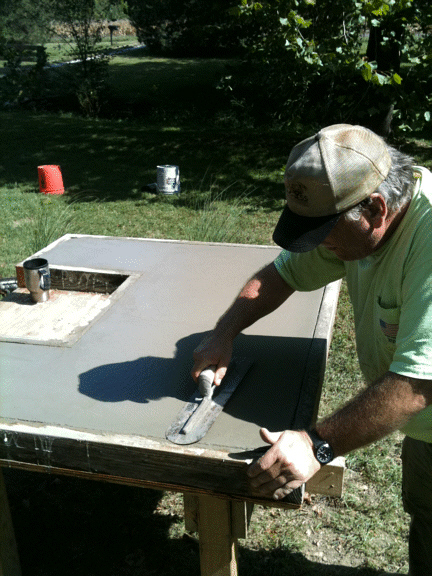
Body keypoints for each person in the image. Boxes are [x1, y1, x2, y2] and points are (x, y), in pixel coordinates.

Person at [191, 124, 432, 576]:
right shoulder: (359, 216)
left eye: (325, 233)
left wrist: (315, 443)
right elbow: (281, 275)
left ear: (376, 209)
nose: (320, 246)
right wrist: (225, 331)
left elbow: (417, 385)